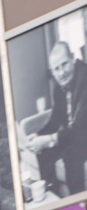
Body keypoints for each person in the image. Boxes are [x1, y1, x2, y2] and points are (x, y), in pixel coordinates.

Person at [24, 40, 85, 198]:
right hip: (74, 135)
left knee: (71, 156)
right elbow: (55, 120)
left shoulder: (84, 79)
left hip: (83, 135)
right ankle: (53, 197)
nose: (61, 72)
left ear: (72, 58)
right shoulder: (59, 88)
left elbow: (80, 129)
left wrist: (48, 140)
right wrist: (38, 136)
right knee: (43, 153)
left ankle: (78, 205)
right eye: (56, 69)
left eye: (64, 64)